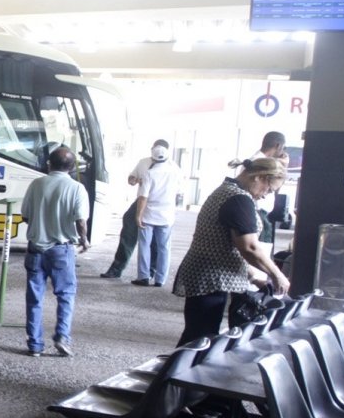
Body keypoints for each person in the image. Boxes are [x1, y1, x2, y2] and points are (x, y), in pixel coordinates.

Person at [172, 158, 290, 346]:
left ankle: (177, 372)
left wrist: (253, 277)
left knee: (200, 335)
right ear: (259, 177)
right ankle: (172, 374)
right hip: (211, 278)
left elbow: (227, 246)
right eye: (269, 189)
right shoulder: (238, 199)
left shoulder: (228, 191)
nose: (266, 195)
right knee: (199, 338)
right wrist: (277, 275)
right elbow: (249, 247)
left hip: (207, 274)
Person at [20, 147, 90, 357]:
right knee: (66, 295)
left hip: (35, 248)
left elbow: (25, 216)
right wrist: (84, 240)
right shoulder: (77, 188)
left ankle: (34, 344)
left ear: (49, 164)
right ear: (72, 166)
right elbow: (80, 221)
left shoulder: (36, 184)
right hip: (62, 249)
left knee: (34, 297)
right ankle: (62, 336)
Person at [99, 142, 158, 279]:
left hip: (159, 205)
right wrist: (135, 180)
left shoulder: (171, 168)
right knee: (129, 232)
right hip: (141, 201)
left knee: (155, 240)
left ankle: (151, 270)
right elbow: (131, 179)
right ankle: (117, 268)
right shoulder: (144, 162)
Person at [132, 141, 181, 288]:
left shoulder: (149, 173)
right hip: (166, 215)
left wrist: (138, 215)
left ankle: (144, 276)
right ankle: (160, 279)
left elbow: (143, 197)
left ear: (152, 158)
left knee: (145, 246)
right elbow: (179, 193)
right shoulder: (175, 171)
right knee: (164, 248)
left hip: (148, 214)